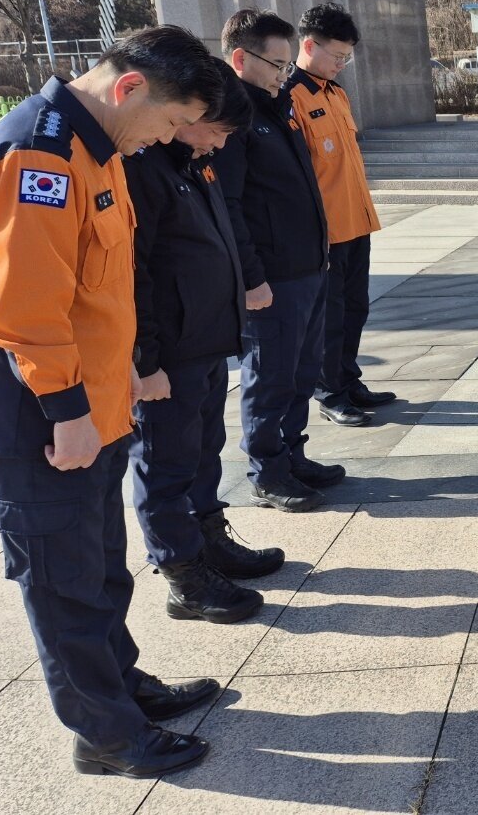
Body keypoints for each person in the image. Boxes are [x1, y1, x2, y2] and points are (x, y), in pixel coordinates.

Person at [0, 26, 225, 777]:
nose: (168, 139)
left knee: (100, 569)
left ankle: (120, 689)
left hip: (96, 406)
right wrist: (68, 414)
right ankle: (106, 735)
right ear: (129, 88)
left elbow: (101, 290)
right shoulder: (41, 155)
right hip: (43, 418)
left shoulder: (101, 151)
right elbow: (26, 307)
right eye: (169, 121)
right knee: (63, 581)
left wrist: (121, 377)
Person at [126, 80, 286, 626]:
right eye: (214, 130)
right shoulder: (143, 168)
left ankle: (209, 540)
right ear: (187, 114)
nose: (218, 143)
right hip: (168, 352)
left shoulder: (193, 161)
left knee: (202, 450)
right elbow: (134, 272)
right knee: (165, 464)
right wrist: (146, 360)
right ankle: (183, 575)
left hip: (207, 339)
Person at [212, 10, 343, 514]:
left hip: (307, 267)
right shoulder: (233, 118)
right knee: (270, 376)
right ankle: (267, 471)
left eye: (288, 65)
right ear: (241, 57)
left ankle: (292, 455)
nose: (284, 74)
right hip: (272, 278)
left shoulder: (277, 106)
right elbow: (229, 205)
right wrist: (252, 277)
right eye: (276, 64)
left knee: (302, 371)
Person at [289, 3, 393, 427]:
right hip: (326, 232)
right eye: (336, 55)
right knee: (329, 317)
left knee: (355, 309)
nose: (341, 64)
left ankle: (348, 380)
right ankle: (329, 391)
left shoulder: (335, 94)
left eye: (346, 57)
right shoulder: (290, 97)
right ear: (309, 46)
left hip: (356, 223)